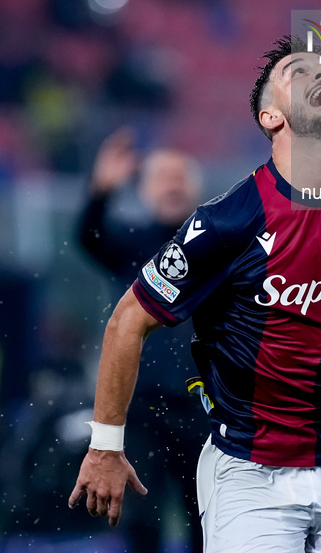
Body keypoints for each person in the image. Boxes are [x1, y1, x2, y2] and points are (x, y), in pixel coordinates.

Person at [69, 35, 321, 553]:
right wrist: (105, 446)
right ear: (271, 118)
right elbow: (127, 320)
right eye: (299, 72)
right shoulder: (227, 222)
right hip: (251, 472)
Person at [75, 130, 207, 553]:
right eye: (162, 177)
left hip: (203, 405)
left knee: (208, 516)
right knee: (141, 519)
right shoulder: (131, 243)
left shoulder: (218, 244)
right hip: (141, 406)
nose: (172, 185)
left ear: (197, 187)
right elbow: (88, 237)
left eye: (179, 176)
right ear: (145, 189)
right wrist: (100, 192)